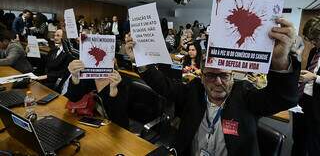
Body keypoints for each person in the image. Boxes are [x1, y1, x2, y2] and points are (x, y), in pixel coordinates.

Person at [125, 18, 300, 156]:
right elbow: (164, 85)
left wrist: (279, 63)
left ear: (232, 75)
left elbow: (283, 98)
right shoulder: (194, 90)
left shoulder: (246, 95)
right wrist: (139, 59)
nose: (217, 82)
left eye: (223, 75)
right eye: (210, 75)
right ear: (201, 76)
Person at [64, 60, 129, 129]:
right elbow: (73, 98)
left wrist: (113, 91)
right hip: (87, 122)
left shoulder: (117, 82)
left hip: (112, 129)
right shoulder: (87, 77)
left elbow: (118, 120)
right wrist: (75, 77)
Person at [291, 16, 320, 156]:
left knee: (314, 144)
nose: (314, 43)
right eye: (311, 40)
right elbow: (310, 71)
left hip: (317, 107)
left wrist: (315, 77)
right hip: (303, 101)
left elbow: (313, 76)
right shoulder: (315, 51)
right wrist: (304, 76)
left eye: (316, 40)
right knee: (298, 139)